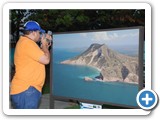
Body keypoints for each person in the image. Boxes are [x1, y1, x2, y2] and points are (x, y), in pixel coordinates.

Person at [10, 21, 51, 109]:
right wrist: (44, 45)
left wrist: (45, 46)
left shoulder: (25, 42)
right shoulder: (28, 44)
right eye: (39, 33)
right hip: (27, 90)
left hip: (25, 90)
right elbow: (46, 60)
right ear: (33, 32)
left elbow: (40, 56)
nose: (40, 35)